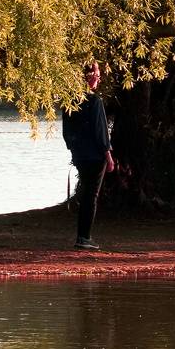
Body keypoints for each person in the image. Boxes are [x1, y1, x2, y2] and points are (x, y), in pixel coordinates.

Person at [61, 62, 114, 250]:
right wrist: (108, 156)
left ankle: (82, 236)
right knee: (91, 195)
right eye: (97, 75)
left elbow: (66, 132)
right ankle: (84, 237)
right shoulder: (94, 101)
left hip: (80, 155)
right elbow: (101, 132)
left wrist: (73, 149)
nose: (98, 79)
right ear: (89, 76)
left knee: (86, 194)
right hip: (94, 156)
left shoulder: (70, 101)